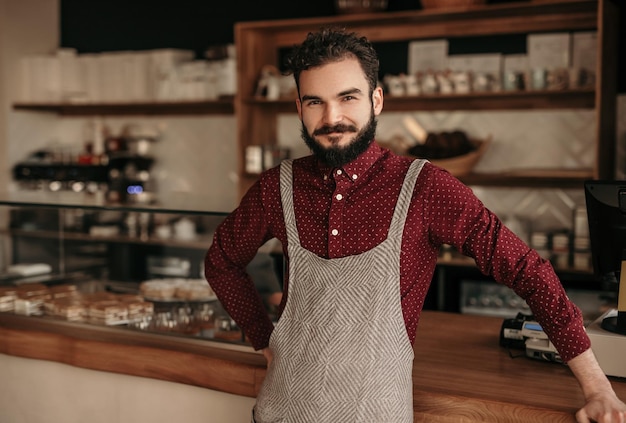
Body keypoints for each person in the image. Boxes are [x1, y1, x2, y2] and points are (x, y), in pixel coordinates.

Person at [204, 27, 626, 423]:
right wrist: (263, 340)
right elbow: (221, 262)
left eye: (348, 97)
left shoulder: (425, 188)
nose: (332, 117)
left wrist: (596, 385)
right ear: (299, 107)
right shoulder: (277, 187)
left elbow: (528, 271)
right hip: (280, 410)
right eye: (315, 101)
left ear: (377, 100)